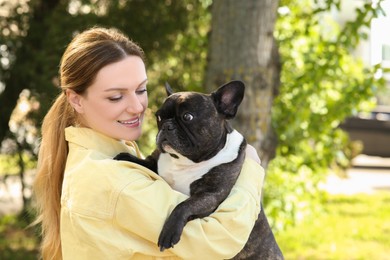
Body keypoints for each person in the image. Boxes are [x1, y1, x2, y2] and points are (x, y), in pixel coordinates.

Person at [33, 26, 265, 260]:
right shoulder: (115, 182)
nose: (137, 107)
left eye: (141, 90)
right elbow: (219, 240)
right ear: (76, 100)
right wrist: (251, 169)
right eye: (116, 96)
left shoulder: (100, 156)